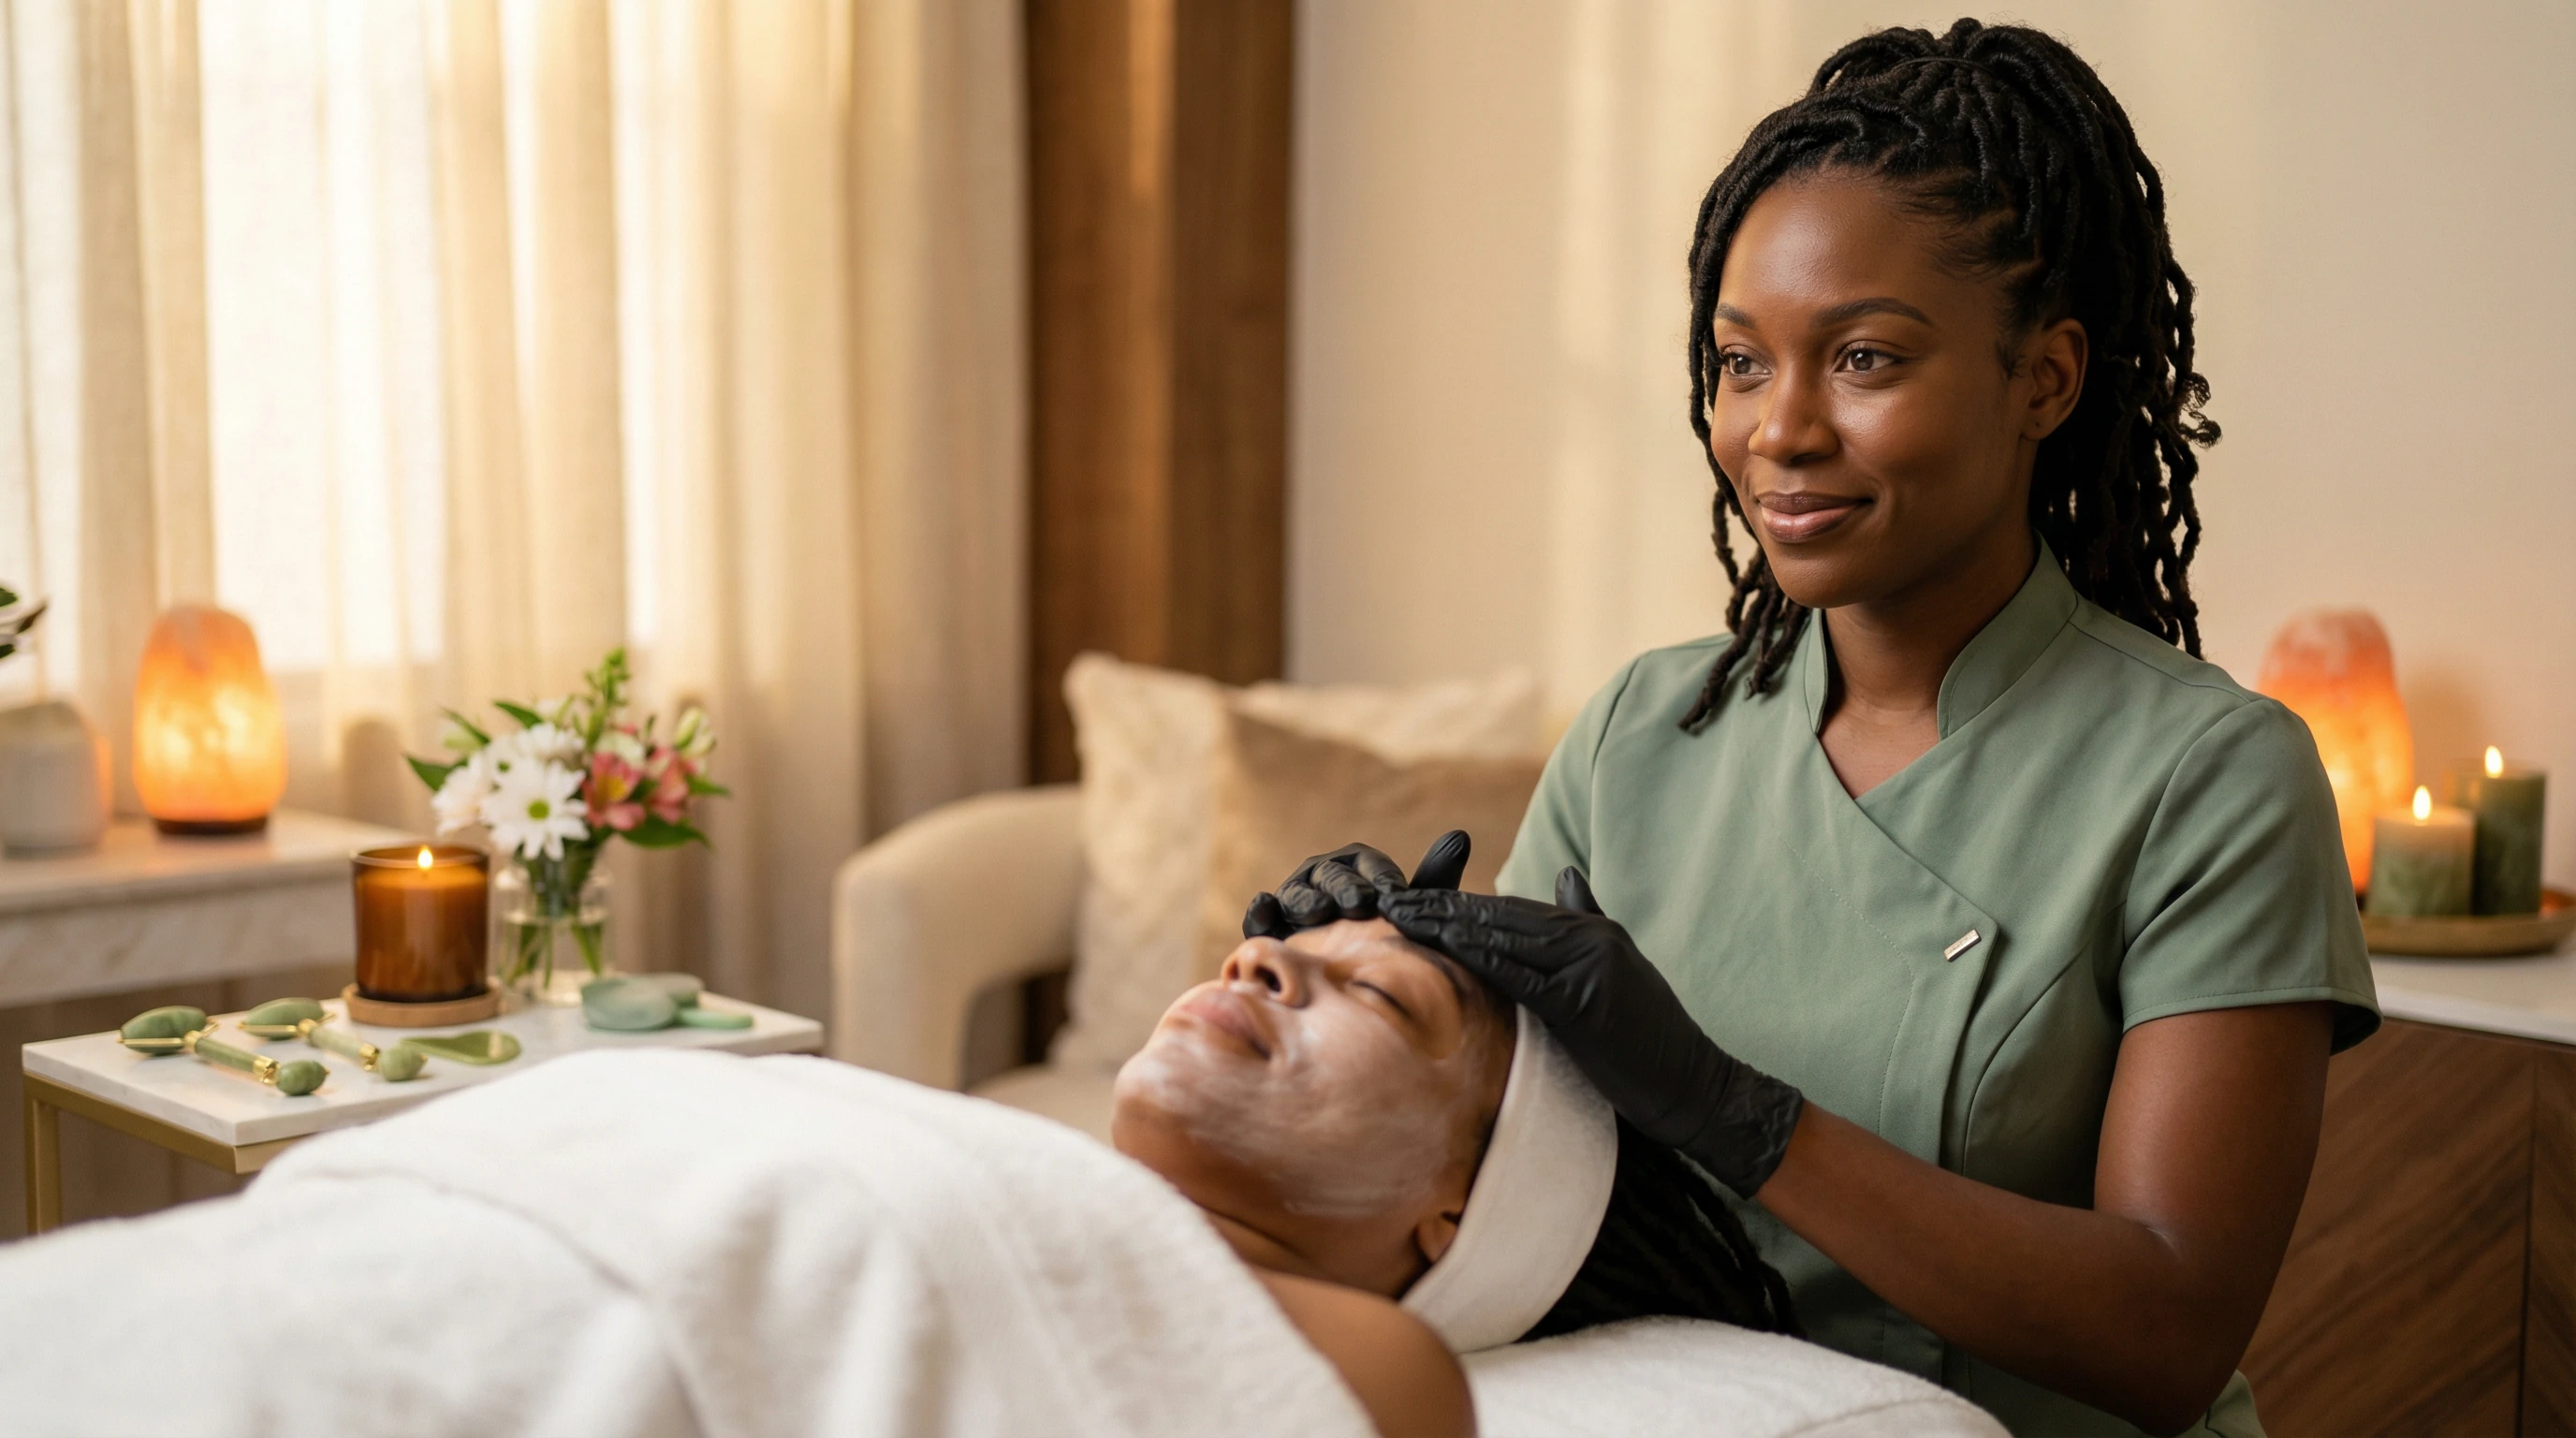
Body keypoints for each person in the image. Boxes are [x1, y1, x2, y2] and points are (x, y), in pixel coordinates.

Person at [1243, 20, 2376, 1438]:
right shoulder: (1640, 734)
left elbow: (2166, 1327)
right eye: (1739, 364)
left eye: (1865, 359)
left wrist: (1734, 1112)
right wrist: (1330, 986)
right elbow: (1483, 1170)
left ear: (2047, 379)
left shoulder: (2214, 778)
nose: (1779, 430)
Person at [1114, 916, 1798, 1436]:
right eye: (1299, 941)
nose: (1257, 955)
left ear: (1459, 1217)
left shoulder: (1387, 1372)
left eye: (1382, 993)